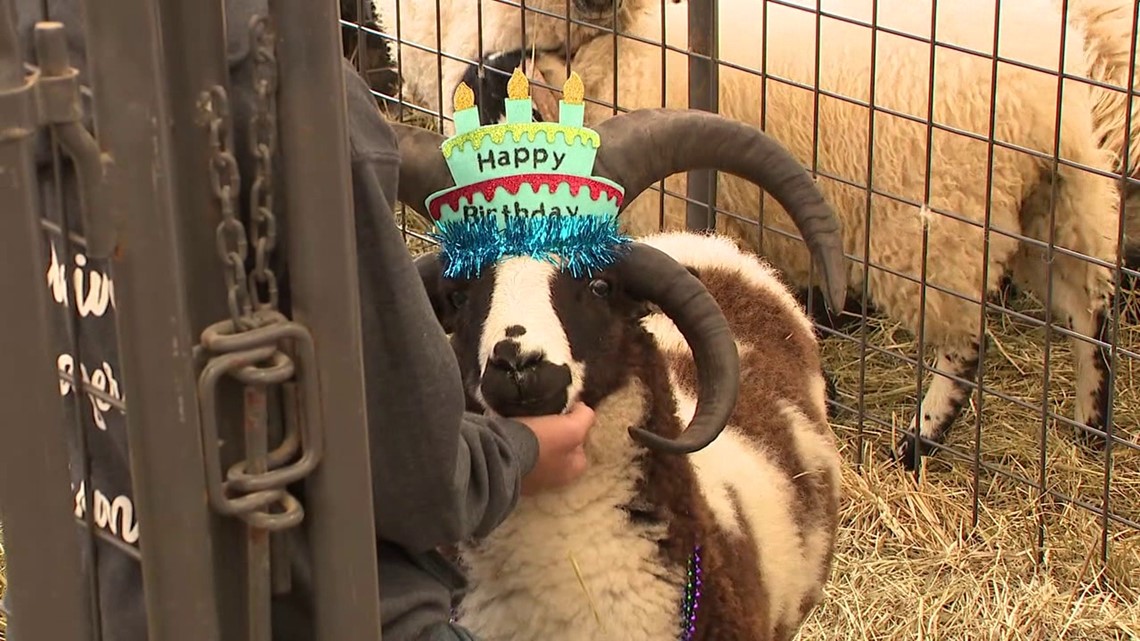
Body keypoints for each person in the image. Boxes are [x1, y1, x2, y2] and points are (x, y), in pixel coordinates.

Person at [5, 1, 596, 640]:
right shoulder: (292, 86)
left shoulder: (30, 45)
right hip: (320, 615)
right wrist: (520, 453)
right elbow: (424, 480)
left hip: (96, 603)